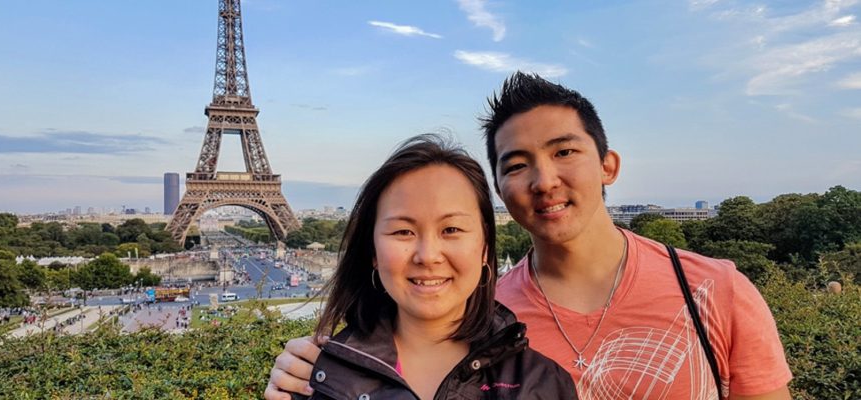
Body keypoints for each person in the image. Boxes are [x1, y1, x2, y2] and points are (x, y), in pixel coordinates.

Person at [265, 73, 792, 400]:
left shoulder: (717, 290)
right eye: (517, 165)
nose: (543, 181)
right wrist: (321, 372)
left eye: (564, 152)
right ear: (500, 188)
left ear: (608, 165)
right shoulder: (481, 321)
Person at [286, 135, 577, 399]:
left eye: (451, 229)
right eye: (403, 232)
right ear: (372, 251)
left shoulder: (545, 385)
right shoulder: (314, 377)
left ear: (485, 249)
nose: (427, 256)